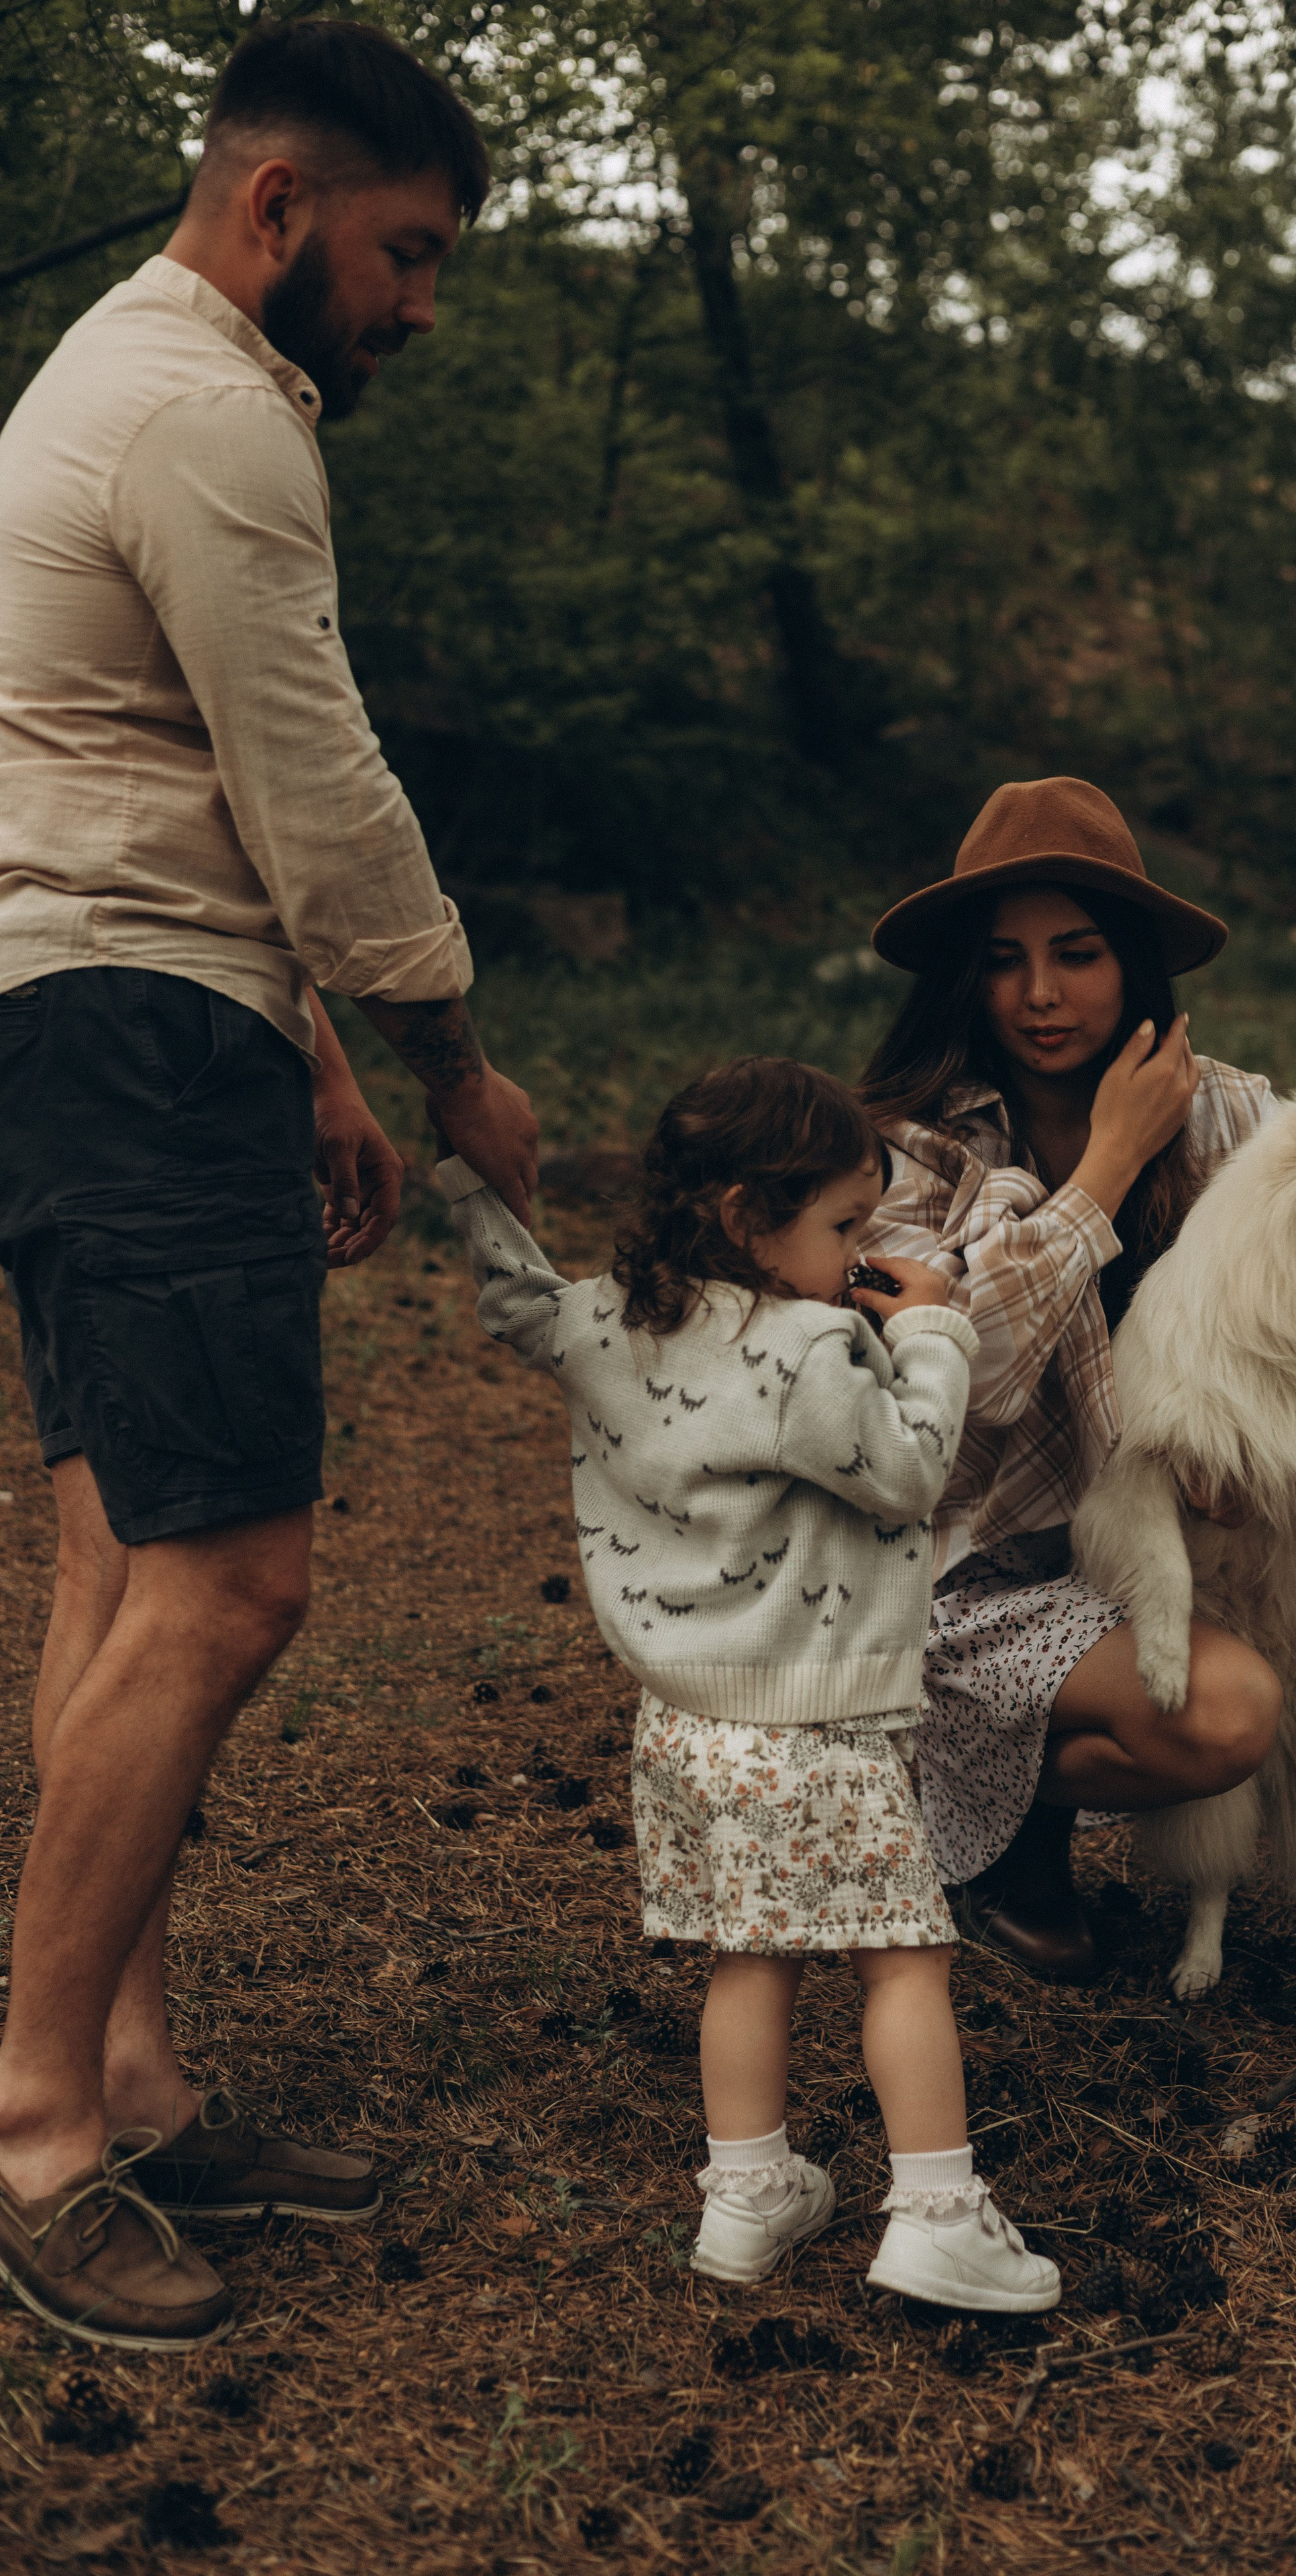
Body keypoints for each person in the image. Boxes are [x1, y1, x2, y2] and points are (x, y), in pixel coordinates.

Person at [0, 19, 541, 2350]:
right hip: (127, 1034)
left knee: (125, 1559)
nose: (422, 305)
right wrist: (448, 1057)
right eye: (409, 254)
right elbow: (312, 781)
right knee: (231, 1588)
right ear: (279, 207)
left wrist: (301, 1038)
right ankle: (33, 2133)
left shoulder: (114, 378)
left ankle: (128, 2070)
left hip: (116, 1006)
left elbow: (156, 758)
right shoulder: (213, 410)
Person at [859, 776, 1296, 2039]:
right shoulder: (914, 1149)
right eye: (1006, 961)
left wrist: (1274, 1443)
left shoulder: (1242, 1113)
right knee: (1227, 1714)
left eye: (1076, 954)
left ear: (1132, 963)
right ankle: (1004, 1823)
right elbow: (978, 1374)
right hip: (995, 1572)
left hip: (1189, 1539)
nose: (1042, 995)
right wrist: (1113, 1160)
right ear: (970, 976)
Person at [437, 1058, 1061, 2312]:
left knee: (751, 1957)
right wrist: (934, 1325)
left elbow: (518, 1302)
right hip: (814, 1723)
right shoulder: (809, 1346)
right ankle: (938, 2213)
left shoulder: (601, 1322)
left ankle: (745, 2197)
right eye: (842, 1226)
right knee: (904, 1963)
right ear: (741, 1217)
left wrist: (471, 1178)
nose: (855, 1256)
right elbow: (906, 1472)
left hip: (686, 1728)